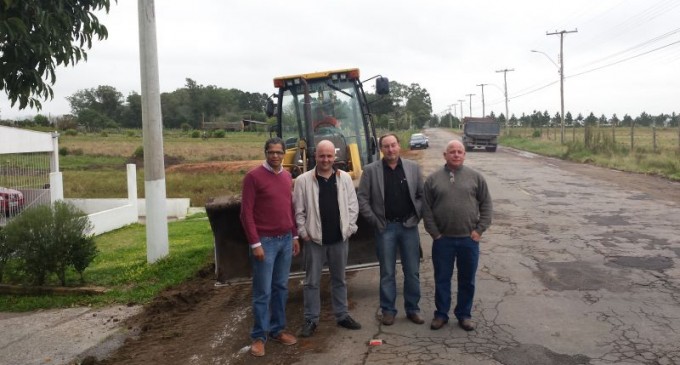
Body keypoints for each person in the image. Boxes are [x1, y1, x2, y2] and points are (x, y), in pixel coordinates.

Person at [293, 140, 362, 337]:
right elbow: (299, 211)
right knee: (311, 282)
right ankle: (311, 319)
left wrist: (349, 228)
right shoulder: (303, 181)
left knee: (339, 279)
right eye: (322, 156)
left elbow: (352, 205)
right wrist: (304, 233)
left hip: (339, 240)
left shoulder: (344, 179)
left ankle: (342, 315)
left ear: (335, 157)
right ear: (315, 156)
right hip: (315, 241)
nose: (326, 159)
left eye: (329, 156)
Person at [422, 139, 492, 332]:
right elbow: (426, 209)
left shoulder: (476, 177)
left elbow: (486, 205)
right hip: (443, 240)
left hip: (468, 240)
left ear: (464, 154)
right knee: (442, 279)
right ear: (445, 155)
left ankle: (464, 314)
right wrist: (434, 233)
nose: (456, 154)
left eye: (459, 151)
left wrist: (479, 230)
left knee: (467, 279)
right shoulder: (433, 179)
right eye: (452, 151)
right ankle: (441, 314)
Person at [240, 137, 301, 357]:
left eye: (278, 152)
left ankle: (278, 329)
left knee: (281, 288)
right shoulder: (253, 177)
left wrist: (294, 236)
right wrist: (255, 243)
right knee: (262, 291)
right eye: (270, 152)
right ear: (265, 153)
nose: (274, 156)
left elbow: (289, 209)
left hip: (285, 240)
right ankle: (259, 336)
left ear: (284, 154)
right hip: (265, 242)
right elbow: (246, 213)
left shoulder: (286, 177)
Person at [357, 133, 425, 326]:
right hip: (385, 227)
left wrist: (416, 217)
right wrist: (374, 220)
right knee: (387, 272)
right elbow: (362, 199)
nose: (390, 149)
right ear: (381, 149)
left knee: (412, 271)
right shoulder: (370, 171)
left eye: (393, 145)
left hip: (408, 226)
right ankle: (388, 310)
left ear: (399, 145)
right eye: (386, 146)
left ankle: (413, 309)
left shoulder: (412, 168)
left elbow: (422, 195)